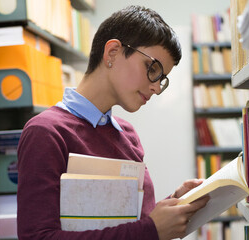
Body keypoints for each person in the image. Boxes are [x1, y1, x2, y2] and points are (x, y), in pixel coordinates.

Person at [17, 5, 209, 240]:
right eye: (153, 69)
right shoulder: (46, 132)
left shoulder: (127, 134)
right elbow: (38, 237)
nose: (157, 88)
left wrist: (175, 204)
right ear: (113, 52)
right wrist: (151, 231)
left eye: (162, 80)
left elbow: (129, 223)